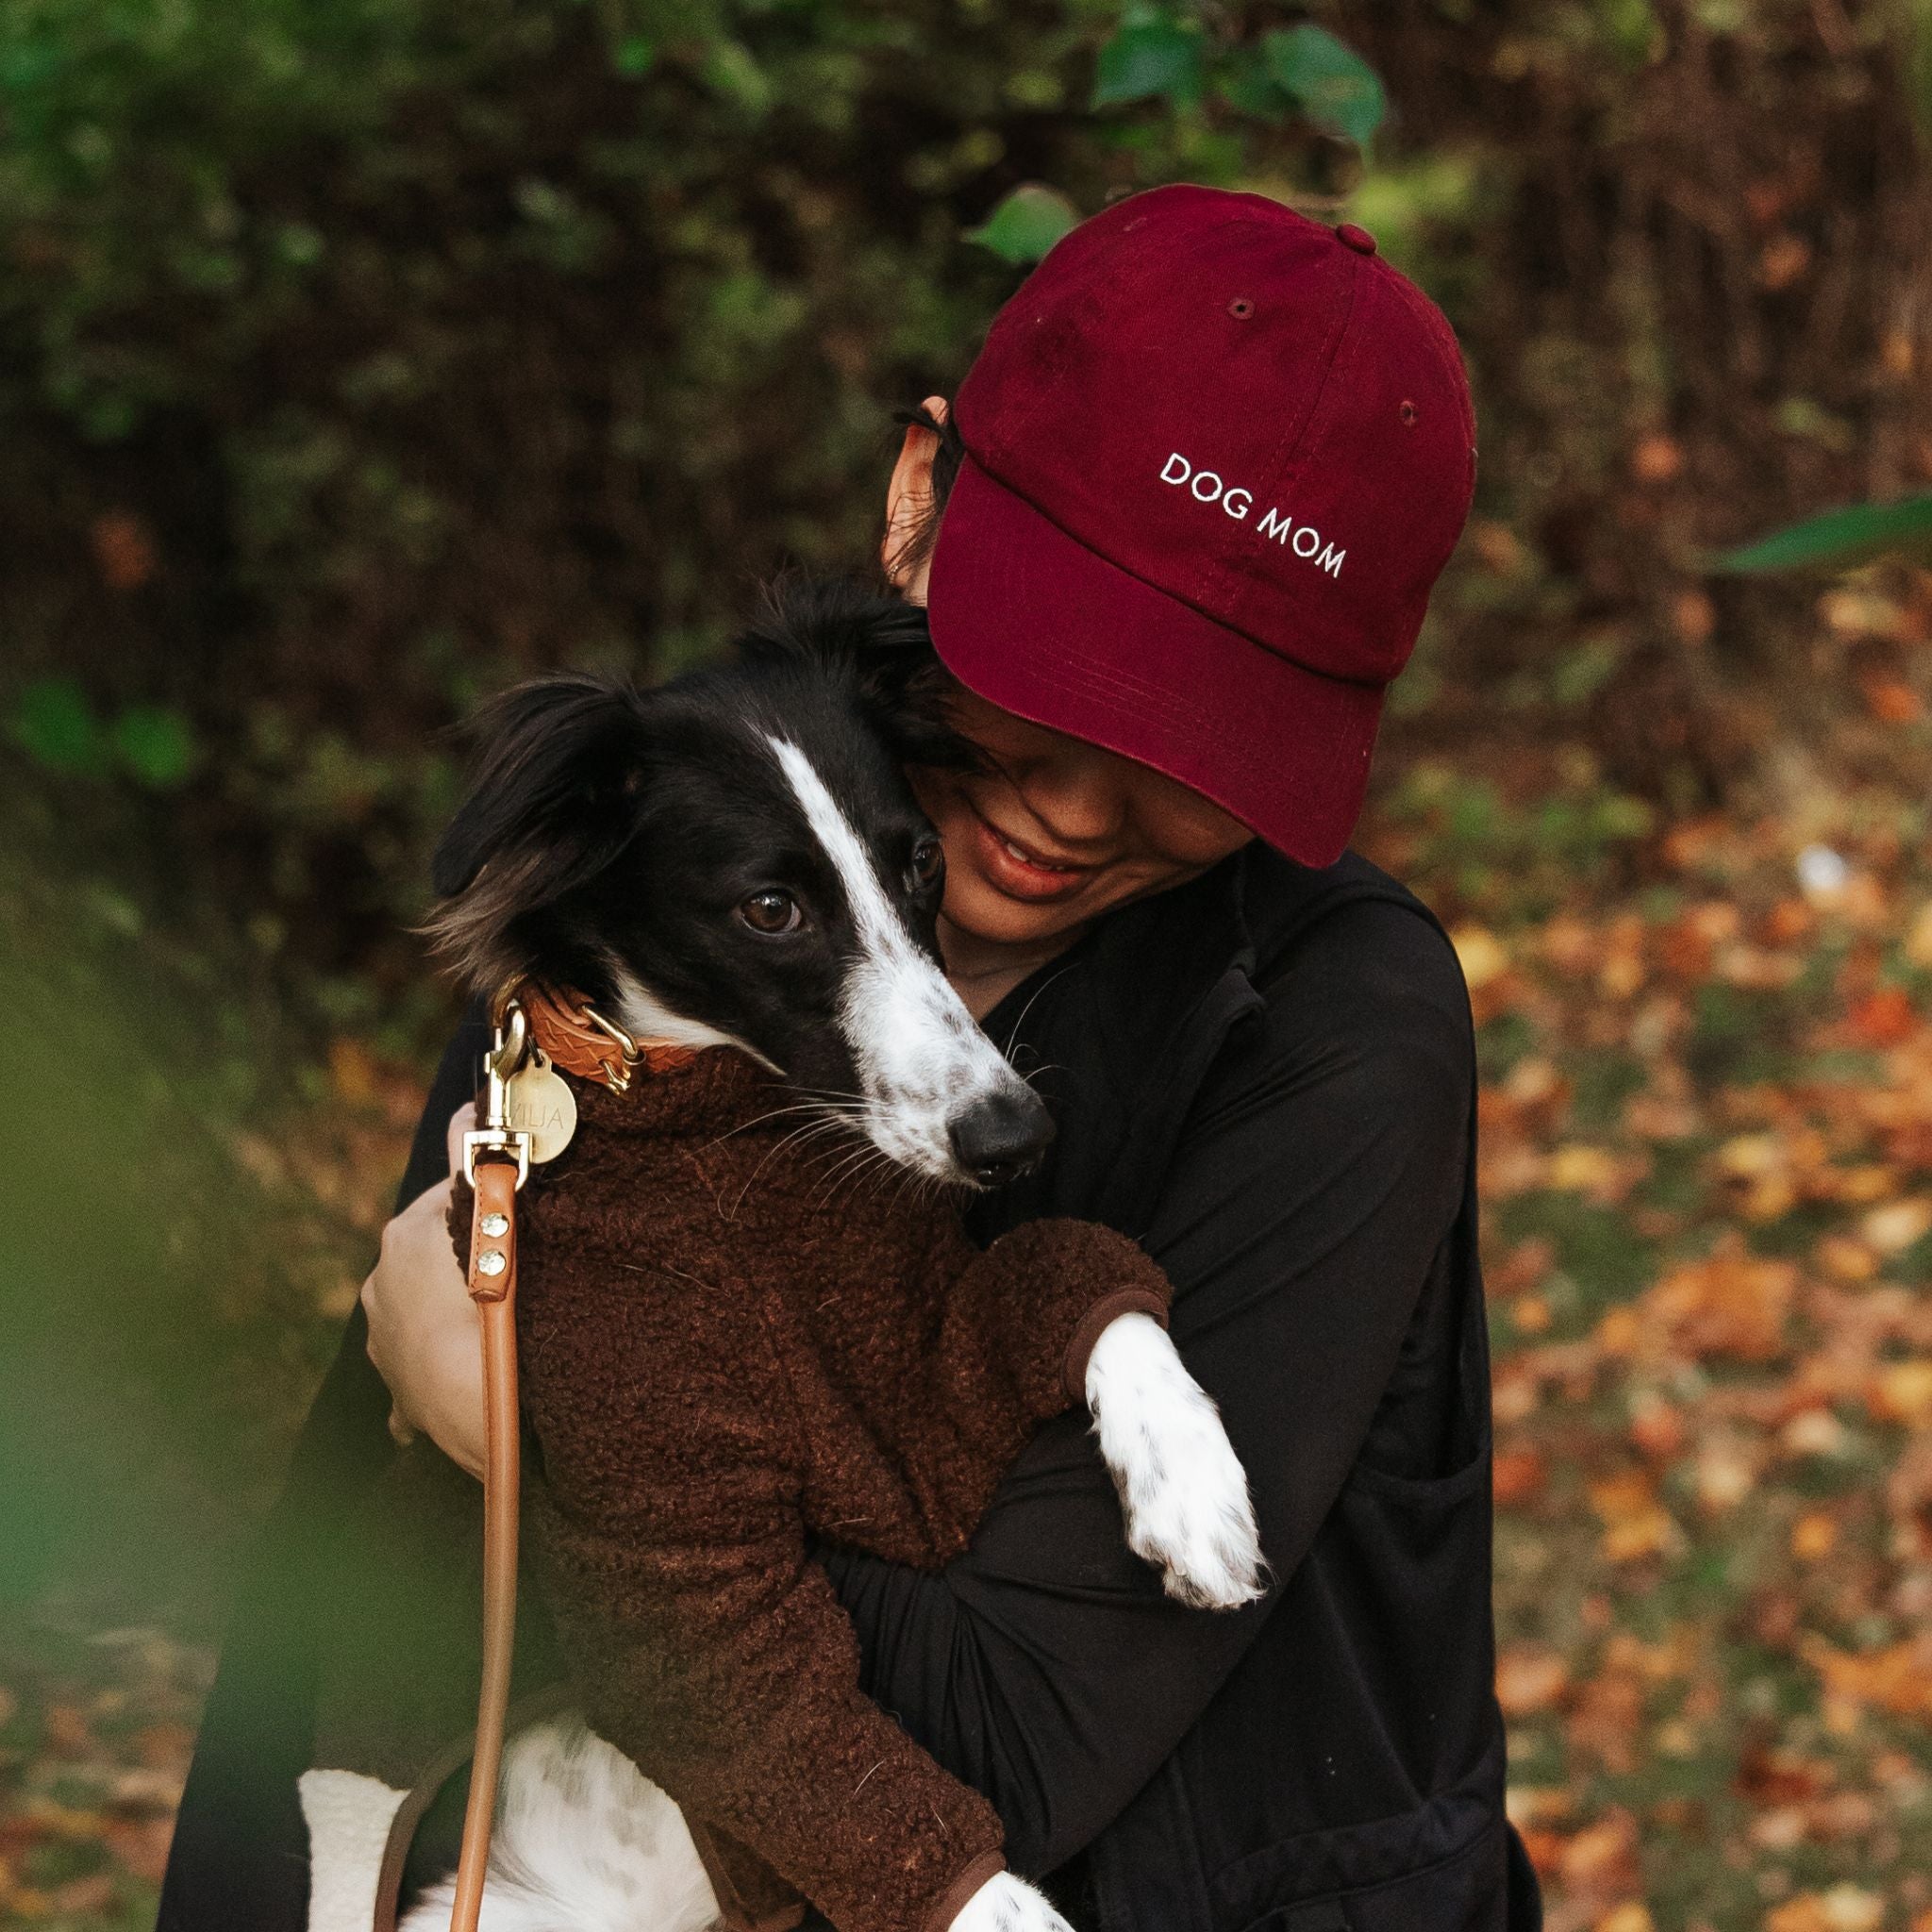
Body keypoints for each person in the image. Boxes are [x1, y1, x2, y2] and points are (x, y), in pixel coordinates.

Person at [159, 183, 1541, 1932]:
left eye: (1199, 743)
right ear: (917, 499)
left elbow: (1006, 1732)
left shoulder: (1339, 1035)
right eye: (1059, 676)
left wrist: (536, 1436)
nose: (1077, 799)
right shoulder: (649, 896)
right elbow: (354, 1607)